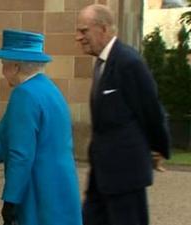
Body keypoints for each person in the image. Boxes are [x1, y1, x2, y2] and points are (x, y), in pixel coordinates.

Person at [0, 29, 82, 225]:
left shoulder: (24, 94)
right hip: (61, 183)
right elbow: (41, 140)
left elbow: (22, 154)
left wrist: (10, 201)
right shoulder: (49, 88)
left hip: (39, 188)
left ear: (16, 67)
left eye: (4, 65)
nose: (2, 71)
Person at [75, 4, 170, 225]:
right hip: (102, 173)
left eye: (83, 31)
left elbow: (151, 111)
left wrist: (158, 148)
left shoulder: (129, 62)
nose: (78, 37)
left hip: (126, 175)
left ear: (104, 29)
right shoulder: (101, 64)